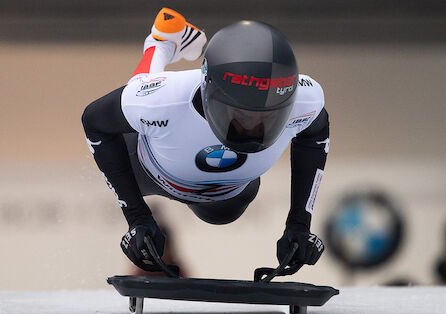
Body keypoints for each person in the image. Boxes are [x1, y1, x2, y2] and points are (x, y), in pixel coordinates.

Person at [82, 8, 330, 273]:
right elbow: (94, 121)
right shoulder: (163, 100)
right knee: (142, 93)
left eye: (270, 116)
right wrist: (137, 217)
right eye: (241, 116)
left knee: (222, 214)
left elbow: (315, 133)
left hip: (229, 192)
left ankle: (164, 42)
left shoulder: (307, 100)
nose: (253, 130)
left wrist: (299, 224)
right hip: (147, 167)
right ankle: (160, 43)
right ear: (208, 90)